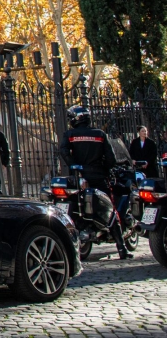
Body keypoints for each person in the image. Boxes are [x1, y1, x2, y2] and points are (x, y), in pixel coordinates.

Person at [60, 105, 128, 259]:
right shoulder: (99, 134)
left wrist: (74, 165)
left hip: (79, 177)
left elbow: (63, 151)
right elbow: (111, 158)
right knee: (111, 210)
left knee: (76, 206)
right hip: (98, 176)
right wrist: (104, 169)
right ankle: (121, 248)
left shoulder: (70, 134)